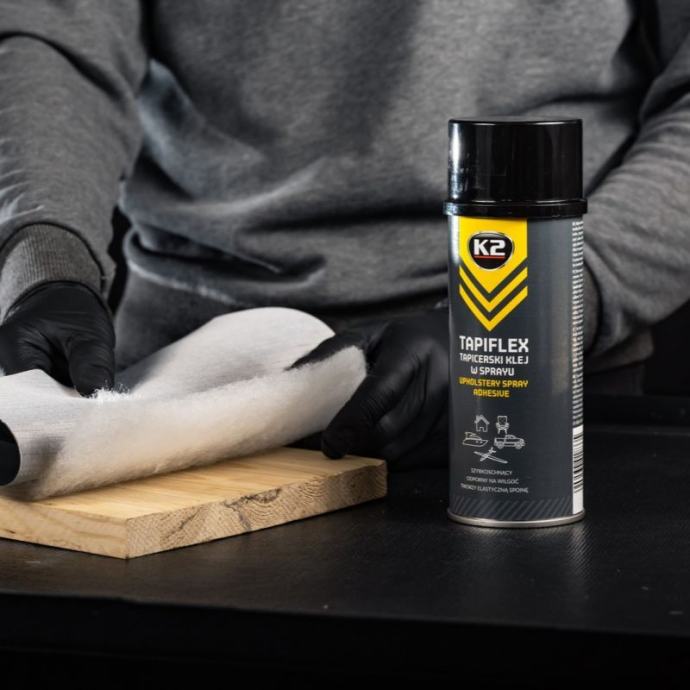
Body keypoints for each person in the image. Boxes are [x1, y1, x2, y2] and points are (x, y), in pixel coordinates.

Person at [0, 1, 688, 470]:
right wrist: (43, 260)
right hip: (169, 386)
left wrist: (530, 310)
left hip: (536, 383)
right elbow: (54, 36)